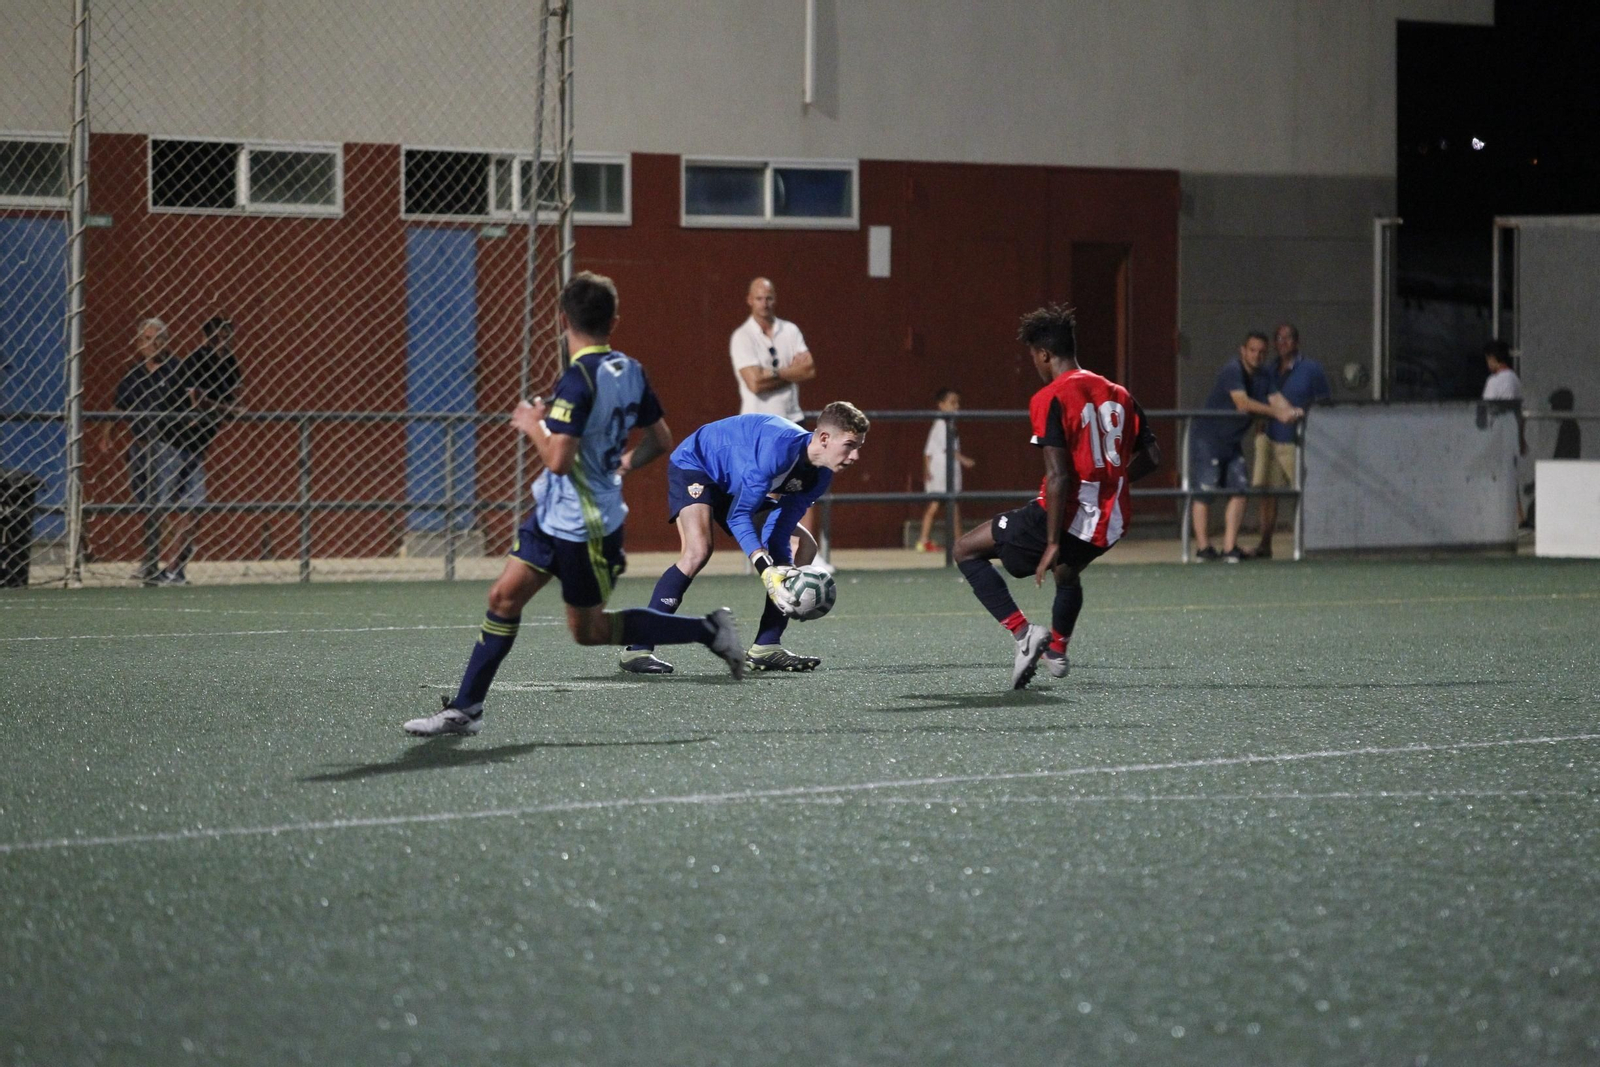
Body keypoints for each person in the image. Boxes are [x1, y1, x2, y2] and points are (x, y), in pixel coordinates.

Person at [404, 272, 745, 737]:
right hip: (553, 517)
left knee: (590, 632)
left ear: (562, 319)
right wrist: (622, 463)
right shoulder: (630, 370)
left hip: (586, 529)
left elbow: (559, 460)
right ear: (614, 321)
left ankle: (708, 631)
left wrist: (531, 425)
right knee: (503, 596)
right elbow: (660, 439)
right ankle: (466, 710)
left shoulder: (578, 379)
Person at [953, 304, 1160, 689]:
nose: (1034, 362)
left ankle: (1023, 634)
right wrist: (1113, 484)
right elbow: (1153, 457)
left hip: (1066, 515)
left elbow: (1059, 474)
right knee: (1068, 571)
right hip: (1112, 521)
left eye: (1033, 355)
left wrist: (1049, 541)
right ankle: (1057, 648)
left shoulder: (1051, 396)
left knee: (966, 549)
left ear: (1044, 354)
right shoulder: (1120, 393)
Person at [619, 401, 870, 675]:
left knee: (796, 545)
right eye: (850, 445)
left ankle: (767, 645)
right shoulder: (778, 451)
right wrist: (766, 571)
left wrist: (778, 570)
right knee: (698, 551)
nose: (855, 456)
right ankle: (637, 649)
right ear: (824, 438)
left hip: (737, 476)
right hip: (698, 463)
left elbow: (780, 529)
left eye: (859, 447)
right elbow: (738, 516)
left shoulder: (820, 475)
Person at [1189, 332, 1298, 562]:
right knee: (1205, 491)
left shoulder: (1264, 376)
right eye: (1252, 351)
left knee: (1240, 490)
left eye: (1261, 352)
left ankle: (1229, 548)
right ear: (1243, 351)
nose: (1257, 356)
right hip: (1209, 438)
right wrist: (1278, 414)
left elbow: (1277, 399)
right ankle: (1203, 549)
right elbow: (1243, 403)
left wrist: (1292, 411)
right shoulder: (1232, 370)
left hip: (1232, 441)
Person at [155, 315, 244, 585]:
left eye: (227, 339)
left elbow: (234, 404)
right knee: (162, 504)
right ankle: (154, 564)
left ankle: (173, 567)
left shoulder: (230, 366)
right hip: (172, 440)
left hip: (198, 445)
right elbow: (197, 400)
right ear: (205, 339)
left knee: (196, 504)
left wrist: (224, 409)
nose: (222, 344)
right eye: (217, 338)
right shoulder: (196, 359)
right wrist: (225, 409)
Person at [101, 317, 186, 585]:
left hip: (168, 446)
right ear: (139, 343)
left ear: (166, 341)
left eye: (157, 338)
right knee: (146, 506)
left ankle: (173, 565)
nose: (152, 344)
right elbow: (119, 407)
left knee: (162, 506)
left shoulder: (177, 370)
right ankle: (152, 561)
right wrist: (108, 435)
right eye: (146, 339)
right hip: (140, 447)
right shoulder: (134, 373)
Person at [1249, 322, 1329, 559]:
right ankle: (1265, 544)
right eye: (1279, 339)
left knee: (1304, 492)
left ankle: (1310, 543)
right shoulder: (1270, 369)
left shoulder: (1312, 369)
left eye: (1287, 338)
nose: (1283, 343)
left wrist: (1304, 416)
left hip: (1296, 441)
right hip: (1270, 438)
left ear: (1297, 342)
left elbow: (1324, 402)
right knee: (1266, 492)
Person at [730, 277, 814, 421]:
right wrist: (792, 372)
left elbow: (808, 371)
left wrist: (771, 374)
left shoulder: (790, 330)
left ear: (775, 299)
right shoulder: (742, 336)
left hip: (792, 420)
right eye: (759, 299)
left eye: (768, 298)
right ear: (750, 300)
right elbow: (755, 384)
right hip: (757, 422)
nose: (764, 304)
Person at [916, 387, 976, 552]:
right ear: (941, 405)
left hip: (947, 469)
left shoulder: (948, 424)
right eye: (952, 403)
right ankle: (927, 540)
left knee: (950, 504)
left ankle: (957, 541)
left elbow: (928, 450)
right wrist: (964, 460)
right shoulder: (941, 424)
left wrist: (926, 468)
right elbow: (945, 449)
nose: (956, 406)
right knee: (938, 504)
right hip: (941, 470)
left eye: (958, 403)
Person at [1481, 339, 1527, 525]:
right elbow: (1520, 412)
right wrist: (1522, 438)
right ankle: (1518, 515)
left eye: (1488, 359)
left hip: (1497, 433)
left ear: (1493, 358)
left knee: (1495, 476)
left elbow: (1487, 408)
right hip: (1512, 433)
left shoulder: (1495, 381)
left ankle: (1499, 517)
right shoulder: (1515, 379)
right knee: (1509, 474)